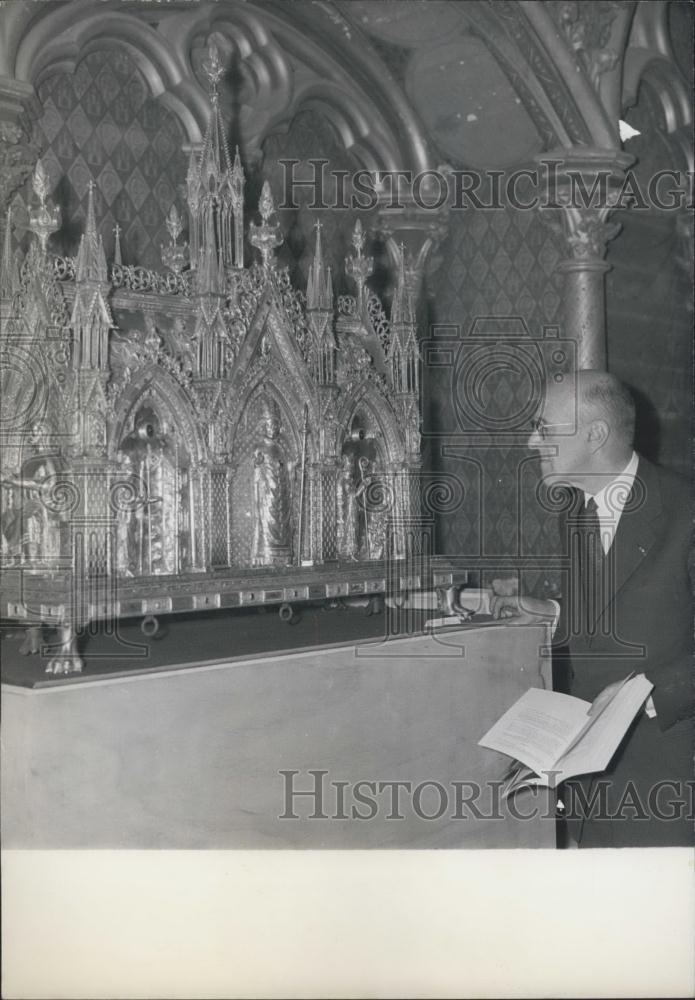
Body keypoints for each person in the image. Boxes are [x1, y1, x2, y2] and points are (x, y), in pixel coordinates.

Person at [490, 370, 693, 847]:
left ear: (596, 435)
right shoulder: (576, 511)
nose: (530, 440)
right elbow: (620, 606)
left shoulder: (685, 509)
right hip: (590, 792)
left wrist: (640, 694)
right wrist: (554, 614)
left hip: (666, 790)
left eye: (543, 426)